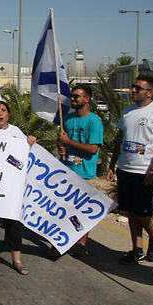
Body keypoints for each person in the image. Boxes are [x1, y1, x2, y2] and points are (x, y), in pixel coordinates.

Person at [107, 74, 153, 264]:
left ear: (150, 92)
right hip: (126, 169)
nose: (133, 90)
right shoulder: (127, 111)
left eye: (138, 88)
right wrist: (113, 164)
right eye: (133, 87)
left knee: (143, 212)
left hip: (145, 172)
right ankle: (137, 249)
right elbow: (120, 139)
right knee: (130, 211)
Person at [0, 100, 37, 274]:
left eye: (3, 110)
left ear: (8, 114)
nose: (0, 114)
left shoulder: (16, 133)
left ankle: (16, 259)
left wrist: (30, 141)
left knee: (13, 223)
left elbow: (26, 154)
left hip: (11, 188)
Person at [57, 84, 104, 258]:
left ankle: (81, 242)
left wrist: (68, 142)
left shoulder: (94, 122)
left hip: (84, 175)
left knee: (81, 212)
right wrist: (61, 146)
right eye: (72, 96)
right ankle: (64, 239)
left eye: (77, 96)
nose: (73, 99)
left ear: (87, 99)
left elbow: (93, 149)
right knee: (65, 209)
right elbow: (61, 142)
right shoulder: (68, 119)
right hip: (67, 172)